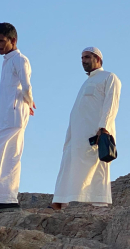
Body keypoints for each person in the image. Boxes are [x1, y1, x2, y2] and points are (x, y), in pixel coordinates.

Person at [50, 47, 121, 210]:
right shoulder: (87, 82)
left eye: (87, 57)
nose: (83, 61)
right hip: (77, 135)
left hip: (96, 132)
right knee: (69, 162)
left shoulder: (109, 77)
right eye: (82, 58)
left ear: (98, 59)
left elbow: (111, 104)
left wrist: (104, 127)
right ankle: (60, 201)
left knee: (96, 166)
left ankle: (99, 203)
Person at [0, 23, 35, 214]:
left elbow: (26, 86)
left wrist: (30, 102)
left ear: (13, 40)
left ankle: (6, 199)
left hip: (12, 116)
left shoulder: (20, 59)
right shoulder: (8, 60)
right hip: (5, 116)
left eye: (1, 41)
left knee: (1, 153)